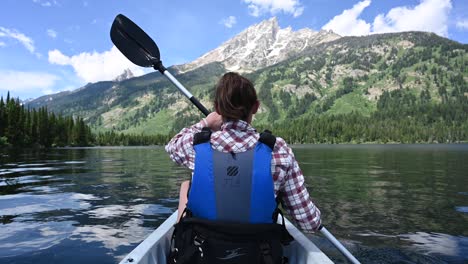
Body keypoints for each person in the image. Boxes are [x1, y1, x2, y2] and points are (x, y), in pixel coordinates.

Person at [165, 72, 321, 263]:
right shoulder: (278, 150)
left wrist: (206, 123)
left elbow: (172, 146)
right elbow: (309, 223)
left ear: (217, 109)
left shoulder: (196, 147)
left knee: (185, 186)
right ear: (255, 107)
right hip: (260, 255)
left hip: (203, 254)